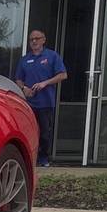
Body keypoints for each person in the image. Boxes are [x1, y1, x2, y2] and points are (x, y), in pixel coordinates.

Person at [15, 30, 67, 166]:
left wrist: (45, 83)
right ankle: (29, 159)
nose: (34, 42)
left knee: (44, 132)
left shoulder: (52, 56)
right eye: (31, 39)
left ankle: (43, 159)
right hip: (29, 103)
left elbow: (63, 75)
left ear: (43, 40)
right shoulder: (25, 59)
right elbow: (18, 79)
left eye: (37, 38)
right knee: (29, 131)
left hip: (46, 102)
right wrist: (24, 88)